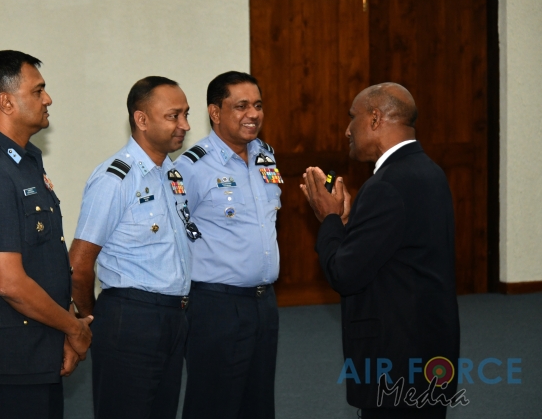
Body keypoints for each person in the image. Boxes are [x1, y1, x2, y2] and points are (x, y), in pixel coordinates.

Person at [300, 83, 460, 418]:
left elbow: (345, 275)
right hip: (428, 352)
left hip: (395, 364)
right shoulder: (429, 171)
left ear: (375, 119)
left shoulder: (385, 185)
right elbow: (390, 254)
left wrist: (329, 219)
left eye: (352, 117)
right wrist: (347, 224)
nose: (348, 130)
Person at [0, 50, 93, 419]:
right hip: (9, 362)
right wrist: (74, 329)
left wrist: (63, 330)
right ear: (6, 102)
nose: (48, 99)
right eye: (38, 90)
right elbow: (10, 283)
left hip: (39, 348)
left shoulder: (25, 160)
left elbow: (44, 259)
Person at [69, 76, 198, 419]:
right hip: (131, 319)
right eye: (173, 116)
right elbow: (78, 266)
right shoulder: (115, 179)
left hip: (173, 317)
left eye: (186, 114)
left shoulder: (170, 173)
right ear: (142, 120)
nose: (185, 125)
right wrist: (93, 319)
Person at [174, 71, 281, 419]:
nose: (253, 114)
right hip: (216, 306)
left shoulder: (265, 155)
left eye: (258, 105)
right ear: (215, 112)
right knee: (212, 404)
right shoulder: (191, 167)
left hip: (264, 303)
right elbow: (175, 231)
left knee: (258, 403)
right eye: (241, 106)